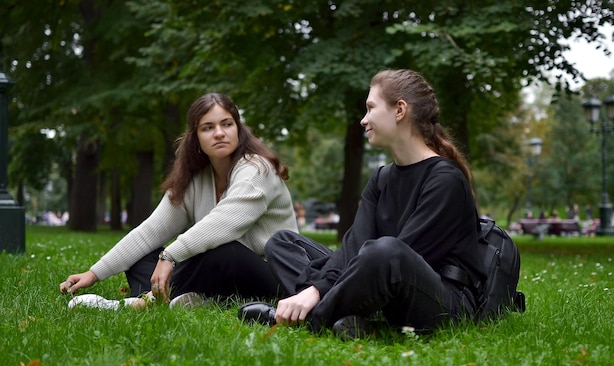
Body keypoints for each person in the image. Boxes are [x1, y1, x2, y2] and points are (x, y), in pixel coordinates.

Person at [239, 69, 485, 338]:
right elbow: (355, 244)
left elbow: (403, 255)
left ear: (400, 110)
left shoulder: (446, 180)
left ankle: (308, 318)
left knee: (386, 251)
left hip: (441, 300)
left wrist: (319, 290)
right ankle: (352, 315)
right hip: (379, 275)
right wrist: (318, 287)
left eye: (370, 108)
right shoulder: (381, 177)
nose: (363, 120)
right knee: (283, 242)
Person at [60, 93, 299, 308]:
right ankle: (193, 298)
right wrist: (93, 273)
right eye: (207, 127)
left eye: (227, 124)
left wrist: (170, 257)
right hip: (218, 271)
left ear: (238, 129)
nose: (219, 133)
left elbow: (223, 224)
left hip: (273, 274)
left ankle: (140, 303)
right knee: (142, 254)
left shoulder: (257, 169)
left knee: (226, 251)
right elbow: (150, 232)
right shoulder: (194, 179)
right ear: (195, 137)